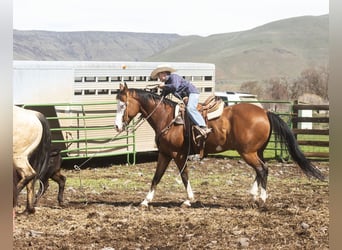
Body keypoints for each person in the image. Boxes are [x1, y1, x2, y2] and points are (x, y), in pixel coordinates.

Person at [150, 64, 212, 139]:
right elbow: (163, 95)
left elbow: (174, 86)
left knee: (190, 108)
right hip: (187, 97)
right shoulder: (167, 83)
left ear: (163, 73)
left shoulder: (174, 77)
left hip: (192, 93)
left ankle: (203, 126)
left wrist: (163, 86)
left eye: (159, 76)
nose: (159, 78)